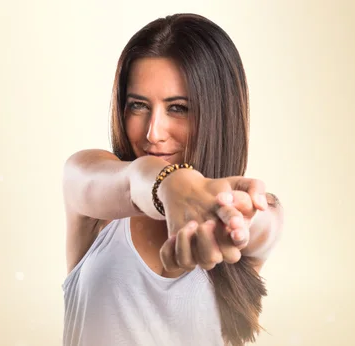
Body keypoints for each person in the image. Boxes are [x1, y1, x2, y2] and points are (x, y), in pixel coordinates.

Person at [61, 13, 284, 346]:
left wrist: (229, 214)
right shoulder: (91, 184)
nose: (153, 133)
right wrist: (172, 183)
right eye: (138, 105)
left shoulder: (246, 212)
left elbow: (262, 225)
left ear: (217, 113)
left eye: (178, 108)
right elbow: (130, 180)